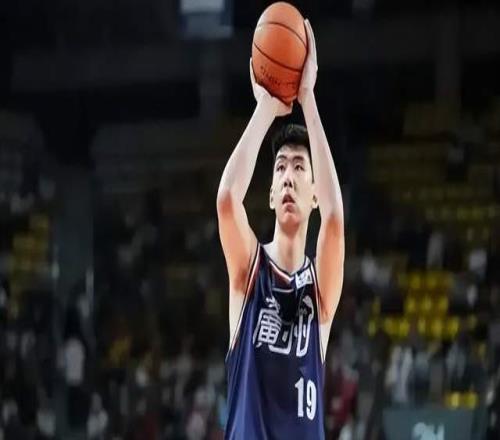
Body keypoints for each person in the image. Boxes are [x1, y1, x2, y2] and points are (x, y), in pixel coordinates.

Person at [216, 19, 344, 439]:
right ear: (270, 194)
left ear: (314, 194)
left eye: (299, 168)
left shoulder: (319, 293)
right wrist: (266, 108)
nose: (288, 177)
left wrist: (308, 98)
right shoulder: (248, 274)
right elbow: (227, 199)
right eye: (281, 168)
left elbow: (335, 219)